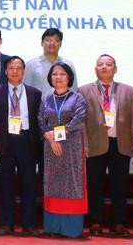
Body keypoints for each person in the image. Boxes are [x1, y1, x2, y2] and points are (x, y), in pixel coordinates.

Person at [79, 54, 133, 237]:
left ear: (115, 69)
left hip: (120, 144)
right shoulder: (84, 90)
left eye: (109, 64)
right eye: (100, 64)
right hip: (95, 145)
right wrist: (84, 146)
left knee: (120, 186)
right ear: (95, 69)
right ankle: (95, 222)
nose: (104, 67)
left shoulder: (127, 90)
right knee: (95, 186)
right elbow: (81, 122)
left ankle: (119, 223)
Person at [0, 56, 42, 236]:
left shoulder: (34, 93)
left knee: (29, 184)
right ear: (5, 71)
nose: (15, 71)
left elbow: (38, 122)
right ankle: (7, 223)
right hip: (5, 141)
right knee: (5, 184)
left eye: (18, 68)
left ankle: (29, 224)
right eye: (11, 68)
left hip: (27, 141)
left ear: (24, 71)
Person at [39, 62, 87, 238]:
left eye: (62, 74)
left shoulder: (77, 98)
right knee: (53, 184)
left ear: (69, 77)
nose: (58, 77)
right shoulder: (46, 98)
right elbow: (40, 120)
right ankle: (53, 227)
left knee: (71, 184)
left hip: (71, 147)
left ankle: (71, 229)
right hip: (51, 147)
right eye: (54, 74)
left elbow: (79, 119)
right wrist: (49, 137)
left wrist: (56, 134)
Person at [25, 28, 78, 96]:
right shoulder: (31, 64)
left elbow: (74, 90)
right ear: (42, 43)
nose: (52, 43)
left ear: (60, 44)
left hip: (64, 102)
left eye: (56, 40)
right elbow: (25, 90)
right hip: (38, 103)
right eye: (48, 40)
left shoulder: (68, 64)